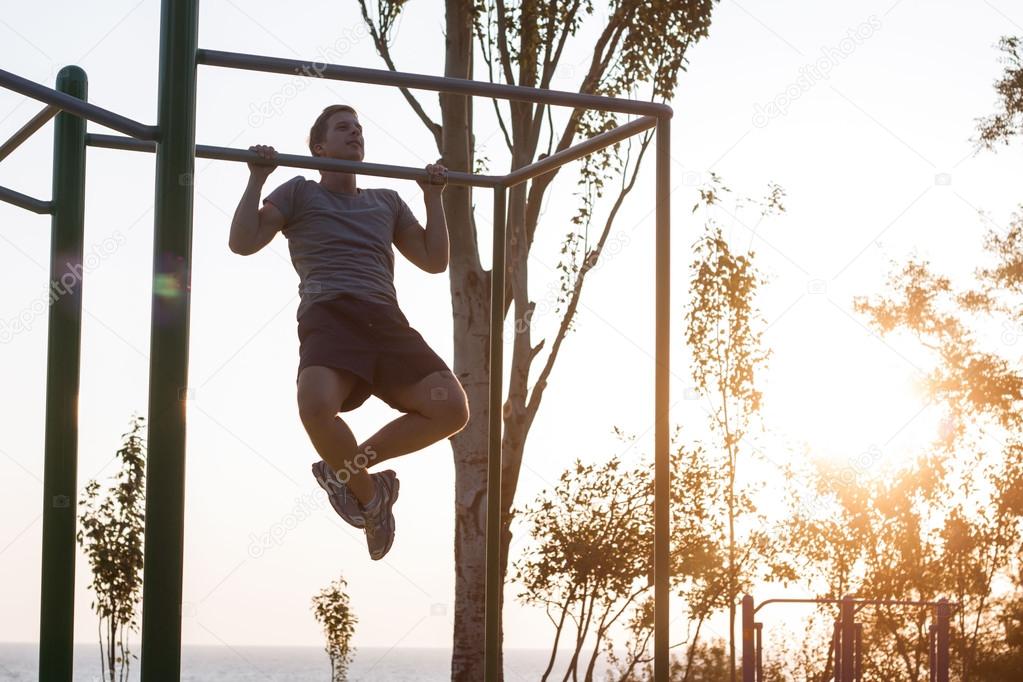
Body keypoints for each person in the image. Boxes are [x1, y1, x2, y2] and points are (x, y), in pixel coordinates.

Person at [228, 104, 470, 560]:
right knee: (315, 406)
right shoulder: (298, 191)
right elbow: (243, 243)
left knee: (452, 410)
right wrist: (257, 178)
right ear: (320, 147)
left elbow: (434, 261)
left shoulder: (386, 201)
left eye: (359, 129)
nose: (355, 134)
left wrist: (433, 198)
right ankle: (372, 496)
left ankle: (348, 473)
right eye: (343, 128)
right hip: (330, 314)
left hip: (384, 318)